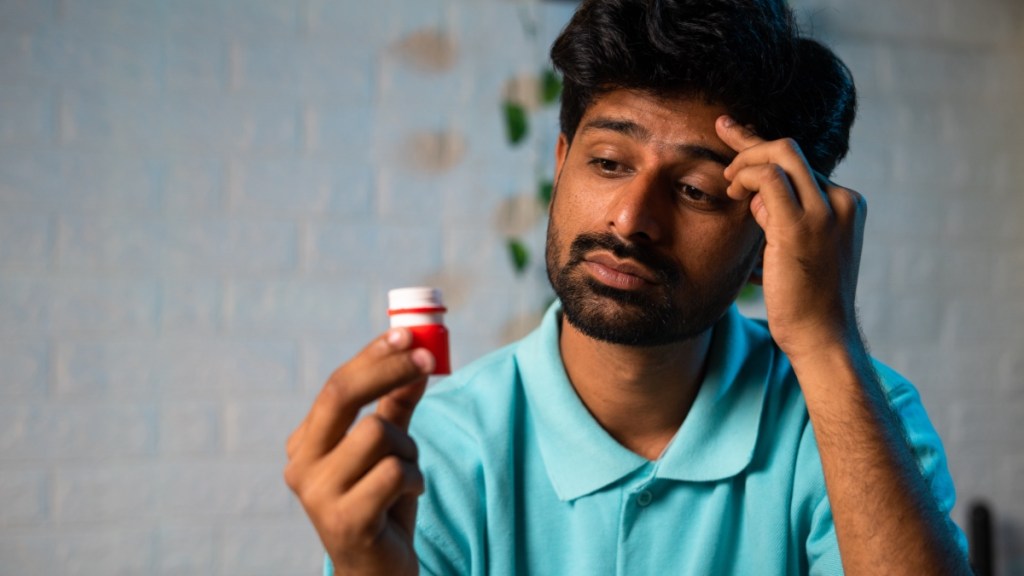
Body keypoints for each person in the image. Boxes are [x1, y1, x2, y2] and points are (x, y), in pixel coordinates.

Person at [284, 0, 971, 574]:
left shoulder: (854, 414)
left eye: (698, 189)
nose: (631, 218)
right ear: (561, 163)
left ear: (773, 234)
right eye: (608, 162)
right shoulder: (438, 450)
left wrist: (826, 343)